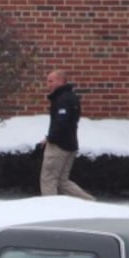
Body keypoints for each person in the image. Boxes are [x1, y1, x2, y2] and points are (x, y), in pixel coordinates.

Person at [38, 69, 93, 200]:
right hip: (70, 144)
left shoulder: (62, 99)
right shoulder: (71, 98)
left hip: (58, 146)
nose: (48, 84)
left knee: (48, 180)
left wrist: (51, 138)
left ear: (61, 81)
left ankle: (50, 210)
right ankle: (90, 202)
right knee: (62, 182)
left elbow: (61, 123)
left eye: (51, 81)